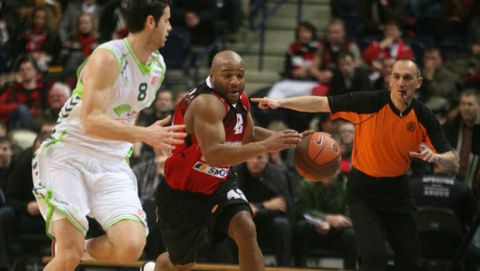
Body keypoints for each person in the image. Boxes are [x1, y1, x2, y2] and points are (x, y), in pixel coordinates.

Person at [252, 59, 459, 270]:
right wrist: (280, 102)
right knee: (375, 256)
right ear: (389, 80)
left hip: (398, 191)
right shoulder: (368, 102)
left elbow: (454, 160)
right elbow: (322, 103)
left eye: (407, 78)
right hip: (363, 190)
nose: (401, 82)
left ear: (419, 82)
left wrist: (438, 158)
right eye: (396, 77)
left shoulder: (424, 116)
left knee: (410, 260)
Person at [31, 1, 186, 270]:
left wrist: (149, 139)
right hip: (70, 155)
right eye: (167, 21)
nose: (170, 28)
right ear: (151, 22)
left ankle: (81, 249)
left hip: (112, 161)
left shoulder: (158, 67)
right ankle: (70, 250)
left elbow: (129, 111)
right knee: (67, 256)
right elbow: (91, 121)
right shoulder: (108, 56)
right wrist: (144, 135)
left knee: (131, 246)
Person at [143, 50, 302, 271]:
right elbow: (214, 154)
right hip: (182, 193)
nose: (235, 81)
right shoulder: (205, 103)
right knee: (181, 264)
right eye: (227, 75)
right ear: (212, 74)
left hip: (218, 184)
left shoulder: (240, 99)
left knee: (246, 228)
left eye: (240, 75)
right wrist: (268, 145)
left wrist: (291, 140)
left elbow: (248, 133)